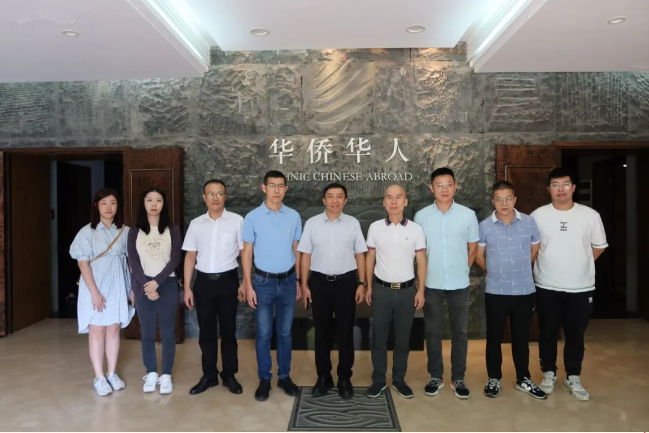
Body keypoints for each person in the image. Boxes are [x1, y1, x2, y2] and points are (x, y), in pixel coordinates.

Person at [532, 167, 607, 401]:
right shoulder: (538, 215)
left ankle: (573, 376)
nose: (561, 189)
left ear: (573, 188)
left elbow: (599, 247)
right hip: (546, 285)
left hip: (580, 287)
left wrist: (580, 263)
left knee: (575, 335)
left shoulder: (590, 215)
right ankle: (548, 373)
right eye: (555, 185)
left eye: (565, 184)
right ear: (548, 189)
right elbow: (532, 248)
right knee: (547, 332)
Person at [476, 181, 546, 399]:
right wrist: (492, 270)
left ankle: (523, 378)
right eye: (499, 199)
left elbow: (535, 248)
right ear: (493, 201)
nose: (503, 203)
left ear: (515, 200)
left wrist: (521, 266)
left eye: (508, 198)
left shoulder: (528, 222)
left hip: (524, 290)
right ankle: (494, 378)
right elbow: (478, 255)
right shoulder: (485, 225)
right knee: (494, 337)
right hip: (496, 290)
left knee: (521, 338)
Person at [298, 183, 368, 399]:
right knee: (322, 333)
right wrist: (304, 284)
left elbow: (360, 254)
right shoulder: (312, 224)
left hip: (346, 283)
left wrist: (362, 283)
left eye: (339, 196)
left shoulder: (353, 223)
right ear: (324, 200)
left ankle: (344, 378)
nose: (335, 200)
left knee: (345, 332)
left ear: (345, 201)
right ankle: (323, 377)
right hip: (319, 282)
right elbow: (305, 255)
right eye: (330, 196)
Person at [414, 167, 479, 399]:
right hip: (431, 283)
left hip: (459, 283)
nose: (444, 189)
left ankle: (458, 378)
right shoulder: (421, 216)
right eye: (439, 185)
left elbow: (473, 247)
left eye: (448, 184)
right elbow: (419, 252)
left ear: (455, 186)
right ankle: (435, 376)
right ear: (431, 188)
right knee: (432, 331)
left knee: (460, 332)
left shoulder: (467, 215)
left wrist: (464, 268)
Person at [242, 170, 302, 402]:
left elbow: (297, 250)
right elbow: (247, 253)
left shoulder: (294, 216)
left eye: (281, 186)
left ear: (286, 188)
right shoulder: (252, 217)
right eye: (272, 185)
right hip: (263, 282)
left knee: (285, 333)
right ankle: (264, 379)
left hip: (288, 281)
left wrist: (298, 280)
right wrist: (248, 285)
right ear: (264, 187)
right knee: (264, 333)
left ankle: (284, 376)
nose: (277, 190)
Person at [182, 179, 245, 395]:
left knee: (229, 331)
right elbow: (190, 256)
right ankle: (209, 375)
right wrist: (188, 287)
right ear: (204, 197)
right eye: (211, 194)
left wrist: (245, 282)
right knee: (206, 332)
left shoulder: (237, 221)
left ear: (225, 197)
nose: (215, 197)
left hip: (228, 282)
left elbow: (245, 253)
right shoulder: (196, 224)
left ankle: (229, 374)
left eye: (219, 193)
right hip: (203, 283)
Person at [69, 188, 133, 396]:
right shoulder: (86, 232)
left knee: (114, 329)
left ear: (118, 206)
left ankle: (112, 373)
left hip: (118, 285)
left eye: (113, 203)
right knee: (97, 331)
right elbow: (83, 264)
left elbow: (131, 263)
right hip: (94, 286)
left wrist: (131, 289)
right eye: (104, 203)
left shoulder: (125, 232)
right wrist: (94, 293)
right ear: (96, 206)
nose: (108, 207)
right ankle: (99, 376)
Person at [365, 185, 427, 399]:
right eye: (389, 198)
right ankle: (379, 380)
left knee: (402, 338)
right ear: (384, 202)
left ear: (405, 201)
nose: (394, 201)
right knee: (378, 337)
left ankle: (399, 379)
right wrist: (368, 286)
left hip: (407, 291)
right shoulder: (375, 228)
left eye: (398, 197)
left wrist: (421, 290)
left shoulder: (416, 229)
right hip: (381, 290)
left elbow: (421, 260)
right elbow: (370, 257)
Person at [127, 187, 182, 395]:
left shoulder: (172, 229)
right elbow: (133, 261)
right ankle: (151, 372)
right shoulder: (135, 231)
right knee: (147, 332)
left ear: (163, 204)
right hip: (143, 286)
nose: (153, 204)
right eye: (149, 200)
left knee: (168, 333)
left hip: (167, 284)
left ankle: (166, 374)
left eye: (158, 200)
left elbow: (175, 259)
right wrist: (147, 285)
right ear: (144, 203)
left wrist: (156, 282)